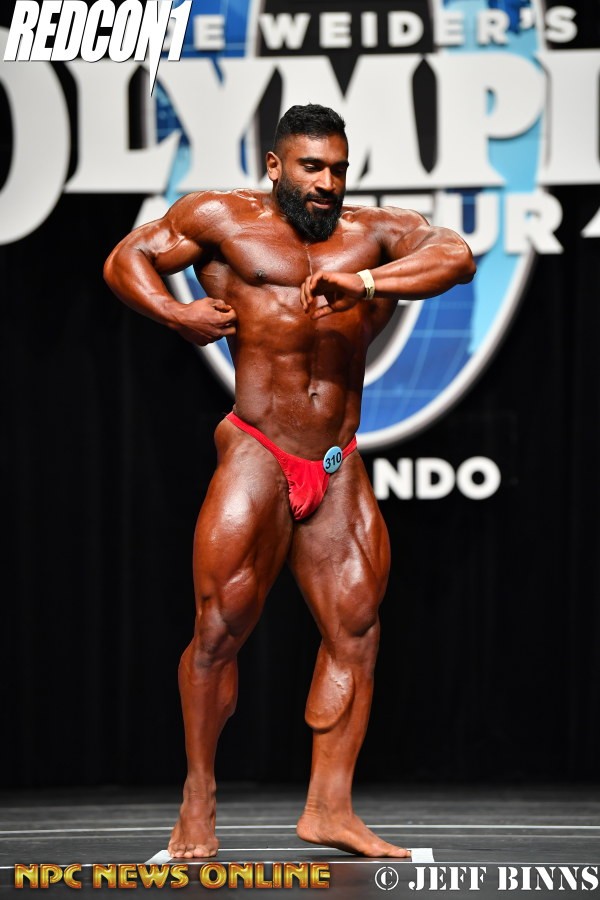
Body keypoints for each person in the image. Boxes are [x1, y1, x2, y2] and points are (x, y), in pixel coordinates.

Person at [104, 104, 476, 860]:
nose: (327, 183)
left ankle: (329, 810)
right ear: (275, 166)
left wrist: (365, 281)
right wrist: (176, 315)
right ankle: (198, 804)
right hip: (258, 447)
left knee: (356, 630)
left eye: (338, 169)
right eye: (312, 167)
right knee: (218, 631)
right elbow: (124, 259)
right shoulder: (221, 218)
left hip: (336, 459)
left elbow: (457, 256)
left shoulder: (372, 234)